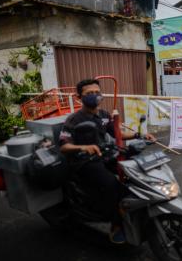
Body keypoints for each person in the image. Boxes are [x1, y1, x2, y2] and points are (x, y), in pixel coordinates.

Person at [59, 79, 155, 244]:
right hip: (85, 162)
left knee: (135, 171)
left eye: (97, 92)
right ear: (79, 97)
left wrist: (139, 135)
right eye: (89, 93)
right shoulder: (74, 120)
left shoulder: (104, 115)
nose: (94, 96)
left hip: (105, 155)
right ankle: (116, 225)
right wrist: (83, 147)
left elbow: (117, 133)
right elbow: (64, 146)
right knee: (112, 186)